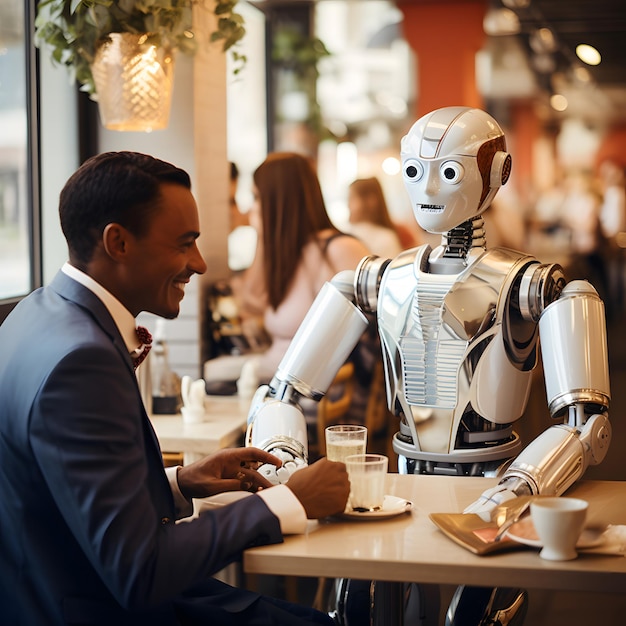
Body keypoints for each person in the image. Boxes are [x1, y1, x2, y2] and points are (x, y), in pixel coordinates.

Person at [0, 151, 350, 626]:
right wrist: (289, 501)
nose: (200, 264)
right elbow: (139, 571)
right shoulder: (82, 363)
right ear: (118, 242)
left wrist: (180, 483)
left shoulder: (35, 311)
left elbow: (65, 500)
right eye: (185, 244)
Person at [235, 152, 371, 385]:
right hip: (275, 379)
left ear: (279, 200)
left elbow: (366, 339)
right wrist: (262, 238)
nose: (252, 209)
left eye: (257, 198)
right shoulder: (289, 252)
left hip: (317, 391)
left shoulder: (338, 249)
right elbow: (251, 301)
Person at [345, 177, 404, 258]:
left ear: (371, 200)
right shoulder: (348, 233)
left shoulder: (386, 238)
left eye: (352, 198)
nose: (348, 205)